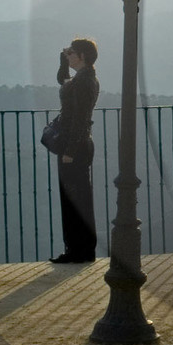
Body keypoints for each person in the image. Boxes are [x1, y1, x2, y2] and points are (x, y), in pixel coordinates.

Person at [52, 37, 100, 263]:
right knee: (74, 197)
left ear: (82, 56)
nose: (68, 54)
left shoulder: (85, 81)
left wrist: (70, 151)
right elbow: (63, 80)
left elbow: (81, 119)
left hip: (76, 147)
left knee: (76, 198)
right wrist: (63, 60)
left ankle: (80, 251)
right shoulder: (81, 78)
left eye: (71, 52)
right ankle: (76, 249)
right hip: (76, 145)